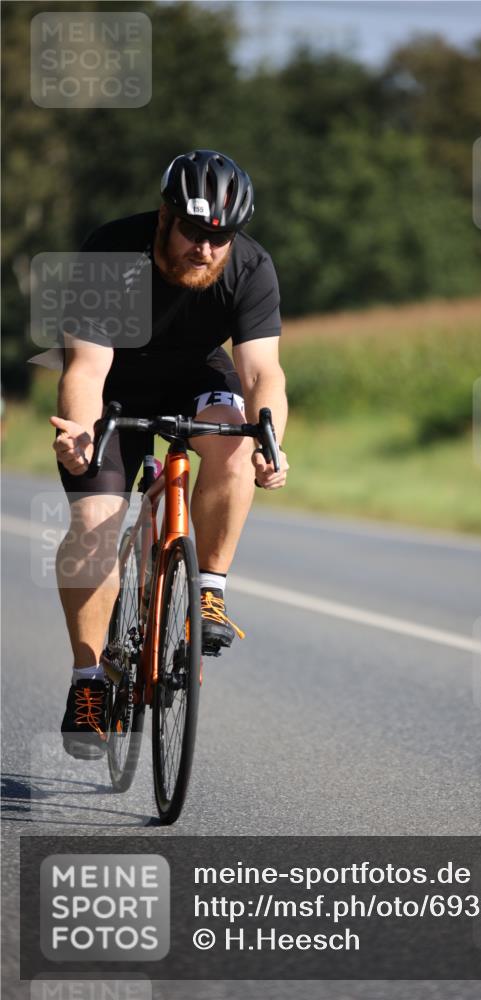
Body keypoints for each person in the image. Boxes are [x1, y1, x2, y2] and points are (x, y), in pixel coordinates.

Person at [51, 149, 288, 759]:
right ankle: (88, 682)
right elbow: (86, 365)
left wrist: (270, 439)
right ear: (165, 217)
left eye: (220, 237)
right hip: (115, 381)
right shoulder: (112, 250)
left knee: (234, 445)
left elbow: (263, 373)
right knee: (94, 522)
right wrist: (80, 432)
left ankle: (208, 587)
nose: (206, 249)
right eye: (193, 232)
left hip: (194, 377)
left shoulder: (251, 267)